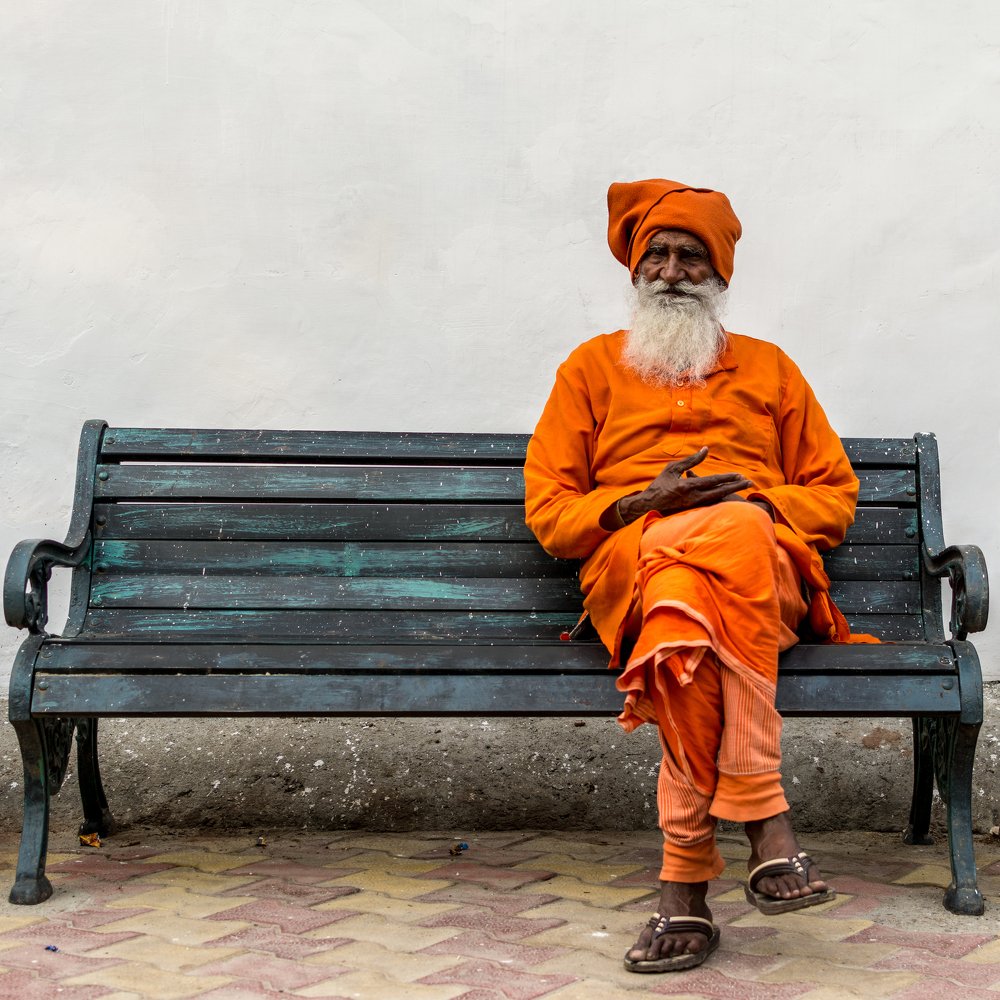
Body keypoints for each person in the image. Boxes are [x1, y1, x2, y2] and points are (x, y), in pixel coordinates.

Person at [524, 178, 862, 973]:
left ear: (719, 274)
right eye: (658, 254)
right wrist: (645, 501)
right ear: (637, 270)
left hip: (762, 574)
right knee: (681, 602)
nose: (672, 269)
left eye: (690, 255)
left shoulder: (773, 370)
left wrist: (756, 499)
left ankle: (685, 887)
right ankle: (762, 822)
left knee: (725, 546)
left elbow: (833, 495)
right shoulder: (589, 369)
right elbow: (551, 511)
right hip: (635, 569)